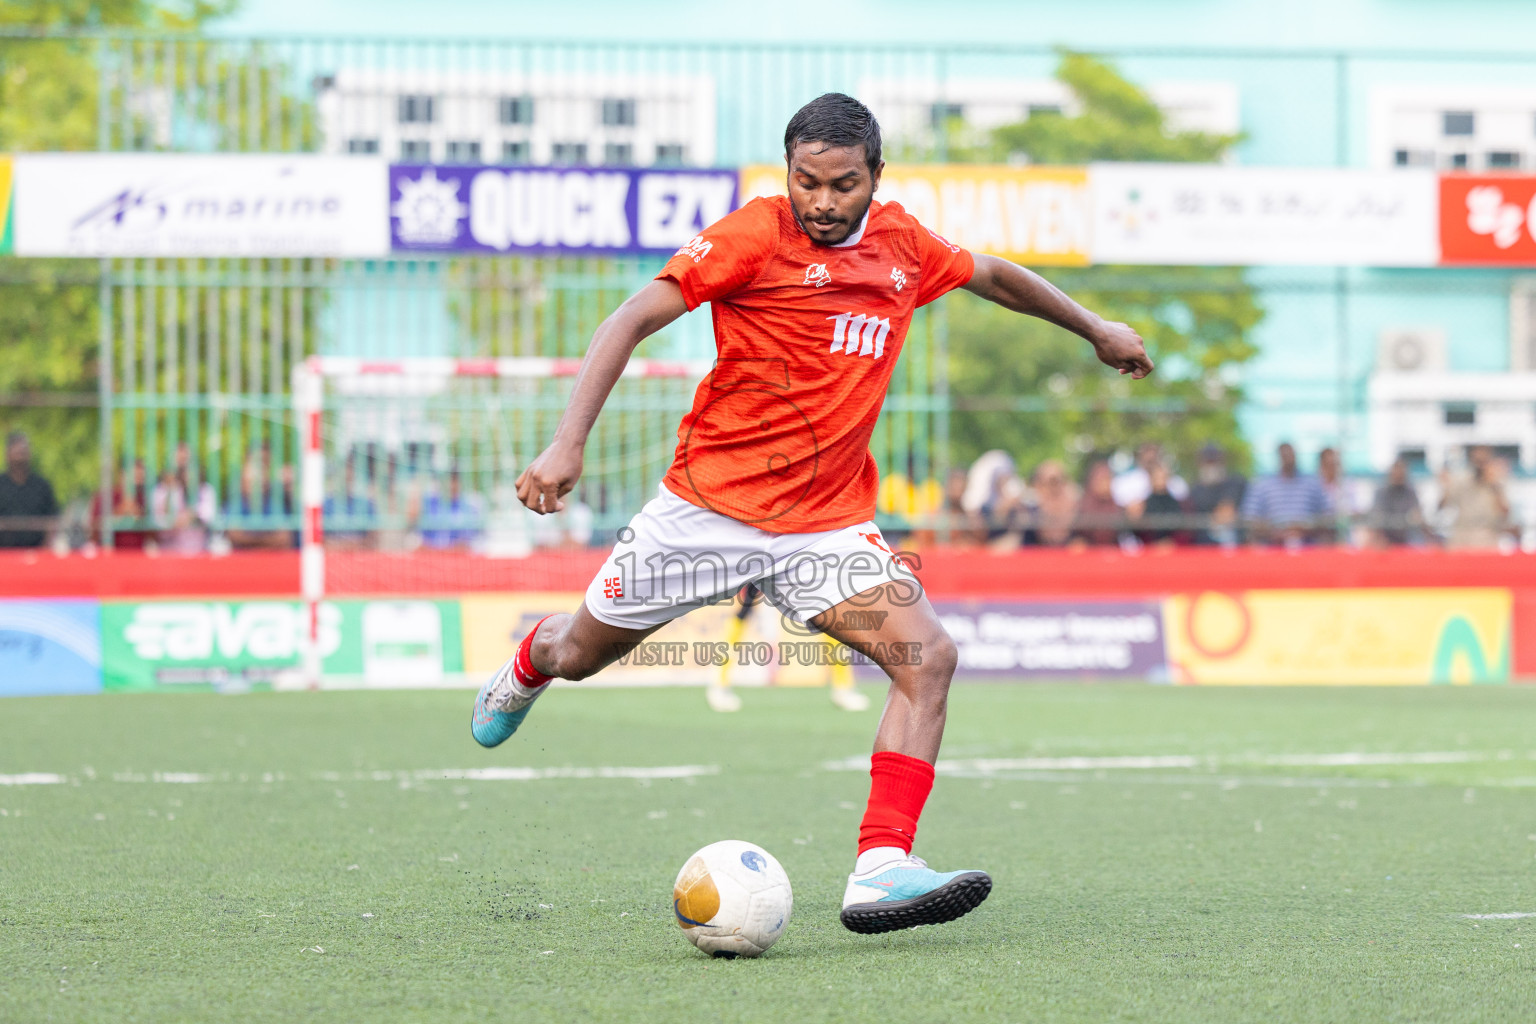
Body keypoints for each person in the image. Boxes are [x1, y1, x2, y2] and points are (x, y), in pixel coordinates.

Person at [468, 93, 1152, 935]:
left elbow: (998, 278)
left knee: (928, 655)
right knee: (578, 653)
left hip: (824, 527)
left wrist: (1093, 329)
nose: (823, 202)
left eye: (843, 184)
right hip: (705, 512)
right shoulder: (753, 235)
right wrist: (566, 445)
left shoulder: (905, 247)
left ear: (876, 177)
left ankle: (881, 865)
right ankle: (528, 666)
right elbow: (631, 317)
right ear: (787, 172)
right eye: (807, 182)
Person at [707, 584, 870, 713]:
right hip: (766, 550)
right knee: (744, 611)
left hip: (792, 550)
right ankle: (720, 684)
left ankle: (843, 687)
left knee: (827, 611)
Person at [1241, 442, 1332, 548]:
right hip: (1271, 546)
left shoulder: (1312, 484)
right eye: (1285, 455)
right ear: (1279, 457)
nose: (1289, 458)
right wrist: (1274, 531)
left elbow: (1327, 517)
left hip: (1308, 546)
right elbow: (1249, 519)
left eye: (1291, 455)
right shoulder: (1263, 485)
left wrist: (1306, 528)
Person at [1440, 446, 1511, 550]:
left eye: (1483, 461)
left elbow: (1505, 512)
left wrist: (1495, 487)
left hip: (1487, 536)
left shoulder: (1497, 482)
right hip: (1462, 536)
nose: (1479, 465)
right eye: (1477, 461)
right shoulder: (1462, 480)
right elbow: (1443, 505)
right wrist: (1445, 486)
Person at [0, 431, 60, 549]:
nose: (20, 455)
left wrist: (44, 550)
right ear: (7, 454)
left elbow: (53, 519)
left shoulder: (42, 486)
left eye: (23, 451)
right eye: (16, 451)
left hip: (37, 554)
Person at [1186, 443, 1246, 547]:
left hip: (1232, 542)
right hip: (1203, 544)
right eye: (1207, 461)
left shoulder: (1235, 482)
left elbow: (1226, 512)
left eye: (1214, 460)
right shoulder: (1196, 488)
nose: (1211, 465)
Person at [1368, 457, 1428, 547]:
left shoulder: (1410, 492)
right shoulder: (1381, 492)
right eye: (1397, 470)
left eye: (1402, 471)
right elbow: (1377, 515)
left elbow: (1416, 513)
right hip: (1386, 538)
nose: (1399, 474)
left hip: (1407, 538)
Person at [420, 470, 485, 550]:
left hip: (457, 554)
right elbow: (423, 536)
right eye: (449, 481)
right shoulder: (432, 502)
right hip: (433, 553)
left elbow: (470, 539)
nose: (452, 486)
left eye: (455, 482)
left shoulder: (468, 506)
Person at [1112, 441, 1187, 508]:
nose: (1151, 456)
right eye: (1147, 451)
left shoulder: (1175, 481)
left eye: (1154, 451)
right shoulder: (1126, 481)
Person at [1130, 460, 1186, 547]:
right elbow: (1137, 533)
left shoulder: (1177, 504)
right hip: (1149, 550)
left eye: (1163, 477)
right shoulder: (1143, 505)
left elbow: (1183, 529)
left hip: (1172, 550)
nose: (1160, 480)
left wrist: (1170, 543)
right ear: (1151, 478)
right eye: (1157, 477)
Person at [1072, 459, 1125, 548]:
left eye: (1108, 479)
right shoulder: (1081, 507)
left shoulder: (1119, 507)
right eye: (1102, 480)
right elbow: (1076, 535)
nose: (1105, 484)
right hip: (1090, 554)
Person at [1029, 459, 1078, 547]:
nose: (1054, 489)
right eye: (1050, 482)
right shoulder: (1029, 512)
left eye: (1057, 482)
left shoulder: (1078, 510)